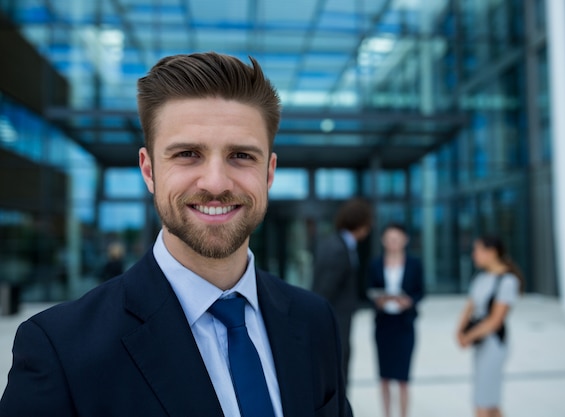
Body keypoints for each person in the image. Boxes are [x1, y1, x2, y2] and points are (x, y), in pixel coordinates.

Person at [0, 52, 352, 417]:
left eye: (241, 156)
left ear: (268, 172)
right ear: (149, 171)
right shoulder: (60, 350)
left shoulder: (315, 320)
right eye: (187, 154)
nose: (216, 183)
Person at [455, 235, 523, 417]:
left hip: (493, 344)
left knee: (483, 402)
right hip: (480, 343)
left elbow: (495, 321)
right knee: (489, 401)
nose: (473, 255)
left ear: (491, 252)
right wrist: (459, 332)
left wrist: (468, 337)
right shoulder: (481, 279)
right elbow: (469, 307)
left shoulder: (507, 281)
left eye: (477, 250)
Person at [312, 197, 373, 383]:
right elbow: (325, 290)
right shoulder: (338, 249)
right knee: (338, 372)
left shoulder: (338, 244)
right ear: (361, 224)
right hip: (336, 323)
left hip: (338, 321)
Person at [367, 223, 425, 417]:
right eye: (390, 238)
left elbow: (421, 291)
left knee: (403, 379)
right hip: (383, 325)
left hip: (404, 325)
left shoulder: (414, 264)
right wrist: (379, 300)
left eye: (397, 238)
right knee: (384, 377)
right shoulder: (375, 264)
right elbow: (368, 290)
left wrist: (409, 301)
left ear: (405, 240)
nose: (393, 242)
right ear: (383, 240)